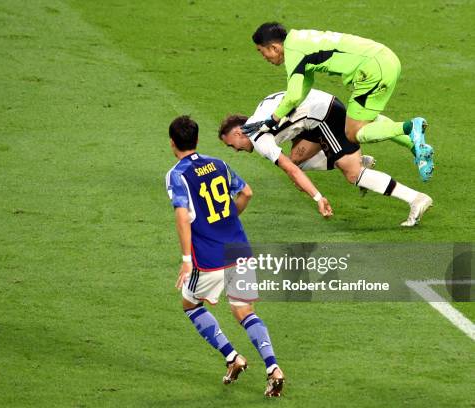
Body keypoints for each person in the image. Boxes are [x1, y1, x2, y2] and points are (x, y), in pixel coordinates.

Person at [165, 115, 286, 397]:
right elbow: (246, 192)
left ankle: (233, 357)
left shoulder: (177, 174)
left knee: (190, 304)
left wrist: (186, 259)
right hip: (239, 249)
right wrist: (226, 219)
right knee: (245, 312)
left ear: (173, 143)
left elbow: (182, 216)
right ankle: (273, 368)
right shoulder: (218, 164)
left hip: (209, 258)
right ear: (196, 139)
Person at [249, 22, 434, 182]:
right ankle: (416, 147)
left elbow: (293, 95)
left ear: (274, 47)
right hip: (387, 59)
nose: (264, 57)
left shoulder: (293, 52)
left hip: (371, 71)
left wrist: (272, 120)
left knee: (354, 133)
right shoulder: (298, 39)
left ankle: (410, 127)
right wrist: (284, 113)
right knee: (366, 119)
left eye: (262, 51)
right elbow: (304, 85)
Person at [220, 89, 433, 226]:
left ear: (238, 133)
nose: (236, 150)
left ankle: (415, 198)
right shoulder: (259, 111)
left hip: (326, 117)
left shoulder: (258, 139)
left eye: (232, 145)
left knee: (353, 175)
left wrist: (317, 197)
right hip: (316, 113)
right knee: (296, 159)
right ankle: (353, 158)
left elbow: (290, 171)